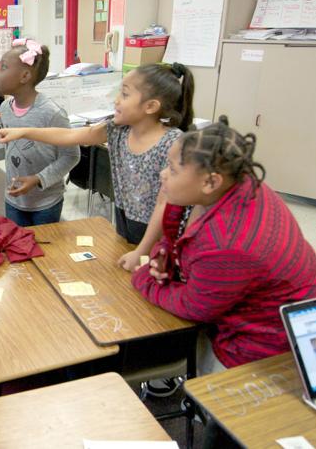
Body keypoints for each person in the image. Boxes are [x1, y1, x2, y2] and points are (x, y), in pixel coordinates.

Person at [133, 117, 316, 375]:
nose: (163, 175)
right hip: (285, 310)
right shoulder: (242, 183)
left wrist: (145, 280)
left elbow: (194, 307)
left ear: (210, 182)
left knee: (211, 401)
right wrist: (165, 254)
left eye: (173, 170)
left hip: (261, 347)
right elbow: (181, 236)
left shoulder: (227, 245)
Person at [0, 63, 195, 268]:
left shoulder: (172, 143)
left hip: (159, 232)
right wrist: (24, 131)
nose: (116, 100)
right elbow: (71, 135)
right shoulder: (117, 129)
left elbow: (164, 205)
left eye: (124, 94)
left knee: (150, 278)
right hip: (127, 221)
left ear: (151, 106)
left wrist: (142, 250)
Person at [0, 39, 80, 226]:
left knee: (45, 252)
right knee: (16, 247)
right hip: (13, 201)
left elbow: (71, 156)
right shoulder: (5, 108)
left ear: (24, 76)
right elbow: (11, 147)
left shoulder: (52, 113)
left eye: (3, 67)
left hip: (46, 204)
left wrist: (38, 179)